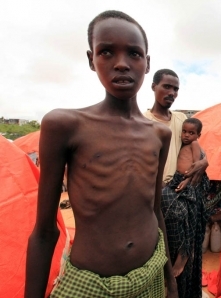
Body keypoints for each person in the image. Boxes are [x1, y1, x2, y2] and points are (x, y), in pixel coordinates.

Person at [25, 10, 177, 298]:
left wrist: (170, 280)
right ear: (91, 60)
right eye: (106, 52)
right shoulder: (65, 125)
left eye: (134, 54)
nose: (121, 64)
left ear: (147, 63)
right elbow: (44, 231)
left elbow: (154, 210)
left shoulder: (159, 134)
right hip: (91, 285)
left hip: (151, 273)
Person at [161, 117, 210, 298]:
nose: (187, 135)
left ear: (198, 135)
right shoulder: (179, 144)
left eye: (191, 133)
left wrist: (187, 180)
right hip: (176, 181)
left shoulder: (195, 144)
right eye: (185, 131)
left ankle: (184, 255)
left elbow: (197, 165)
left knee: (186, 218)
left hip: (187, 182)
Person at [144, 69, 208, 186]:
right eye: (167, 87)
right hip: (151, 187)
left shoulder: (182, 119)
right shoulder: (142, 121)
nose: (172, 93)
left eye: (175, 89)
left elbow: (194, 146)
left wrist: (204, 161)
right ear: (154, 87)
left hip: (176, 186)